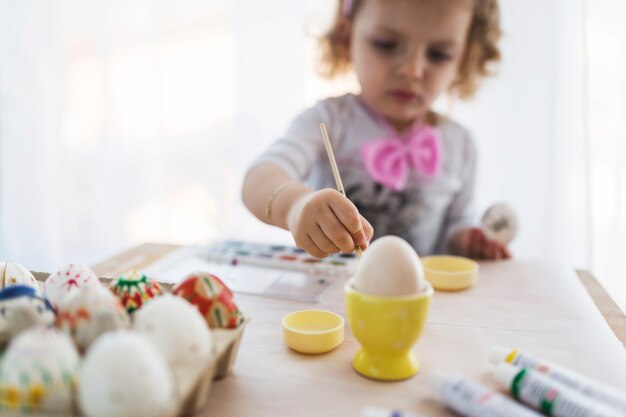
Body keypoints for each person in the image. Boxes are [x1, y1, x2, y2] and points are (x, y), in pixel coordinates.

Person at [242, 0, 512, 260]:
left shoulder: (460, 144)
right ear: (346, 39)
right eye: (386, 45)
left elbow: (457, 225)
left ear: (464, 58)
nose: (412, 70)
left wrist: (468, 242)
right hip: (332, 298)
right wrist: (295, 206)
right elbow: (259, 179)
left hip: (414, 302)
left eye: (439, 54)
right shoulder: (329, 120)